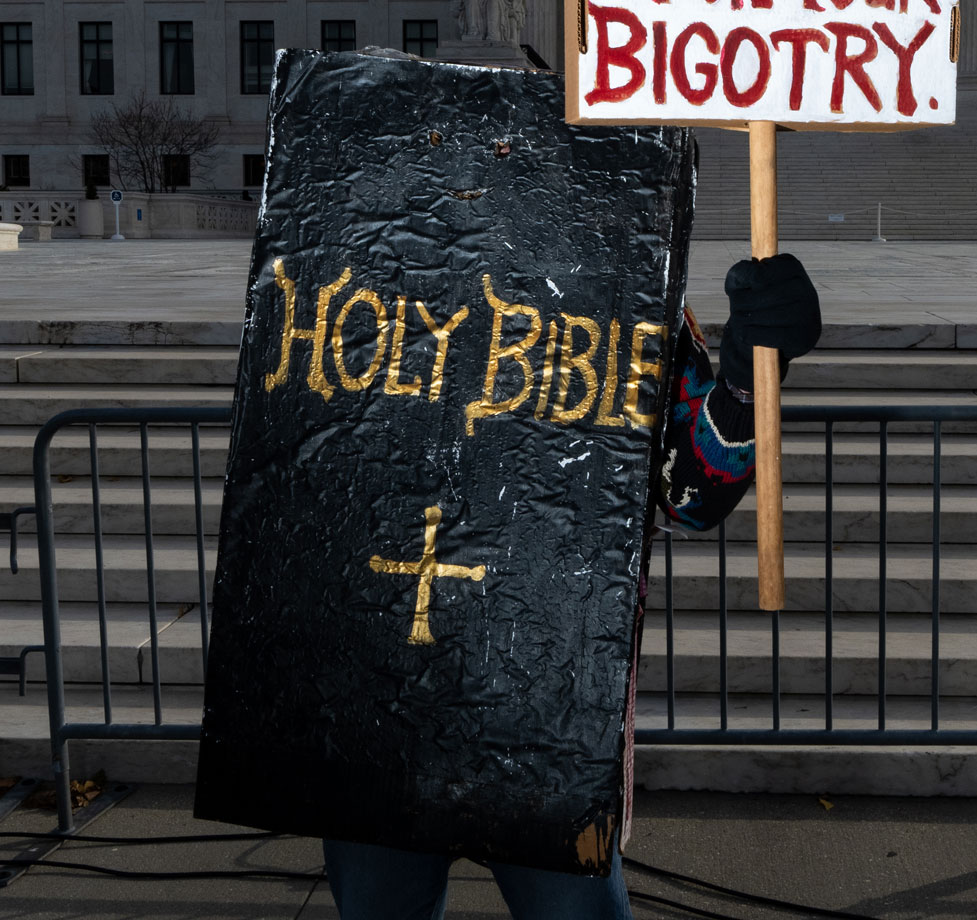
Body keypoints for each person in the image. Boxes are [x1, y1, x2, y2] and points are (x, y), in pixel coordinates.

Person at [319, 252, 823, 920]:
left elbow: (688, 492)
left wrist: (743, 384)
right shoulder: (368, 268)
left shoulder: (612, 272)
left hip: (548, 713)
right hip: (380, 704)